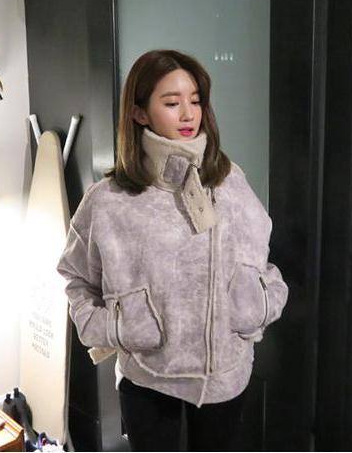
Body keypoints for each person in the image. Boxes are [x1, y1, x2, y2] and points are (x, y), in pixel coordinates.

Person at [57, 49, 288, 451]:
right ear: (139, 113)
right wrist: (113, 326)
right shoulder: (109, 199)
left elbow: (259, 255)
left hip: (226, 372)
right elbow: (77, 276)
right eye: (171, 102)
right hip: (148, 376)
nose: (188, 114)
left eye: (195, 101)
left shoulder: (230, 181)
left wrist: (257, 303)